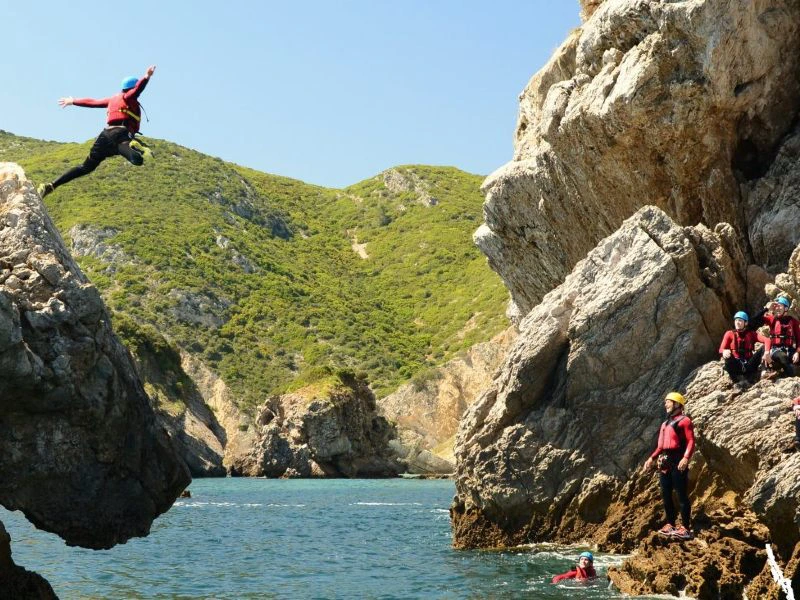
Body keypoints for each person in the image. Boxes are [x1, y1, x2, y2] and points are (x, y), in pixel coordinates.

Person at [37, 65, 156, 198]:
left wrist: (73, 101)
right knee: (137, 158)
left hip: (105, 136)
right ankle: (134, 146)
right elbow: (137, 90)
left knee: (86, 167)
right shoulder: (129, 97)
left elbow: (93, 102)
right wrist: (146, 77)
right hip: (121, 134)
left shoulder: (112, 99)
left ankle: (51, 186)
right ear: (132, 88)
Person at [643, 391, 695, 540]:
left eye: (668, 401)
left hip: (678, 461)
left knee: (681, 495)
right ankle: (670, 524)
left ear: (677, 404)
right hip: (665, 462)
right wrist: (651, 458)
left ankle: (686, 528)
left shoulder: (685, 421)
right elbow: (660, 446)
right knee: (666, 495)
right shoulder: (665, 424)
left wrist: (686, 458)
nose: (665, 404)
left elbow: (691, 441)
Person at [751, 297, 800, 379]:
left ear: (786, 308)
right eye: (776, 306)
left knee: (789, 358)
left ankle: (785, 370)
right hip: (776, 350)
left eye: (779, 305)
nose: (777, 308)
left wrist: (797, 352)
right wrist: (766, 309)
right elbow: (754, 320)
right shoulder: (772, 319)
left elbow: (799, 339)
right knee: (783, 357)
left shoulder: (793, 321)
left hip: (789, 350)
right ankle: (791, 377)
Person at [718, 311, 770, 385]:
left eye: (740, 320)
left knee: (764, 348)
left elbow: (767, 340)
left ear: (746, 323)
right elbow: (721, 349)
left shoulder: (751, 334)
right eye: (736, 320)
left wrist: (767, 352)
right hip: (736, 365)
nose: (737, 322)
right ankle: (737, 380)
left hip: (749, 364)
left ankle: (764, 372)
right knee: (728, 357)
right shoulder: (729, 333)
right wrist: (724, 351)